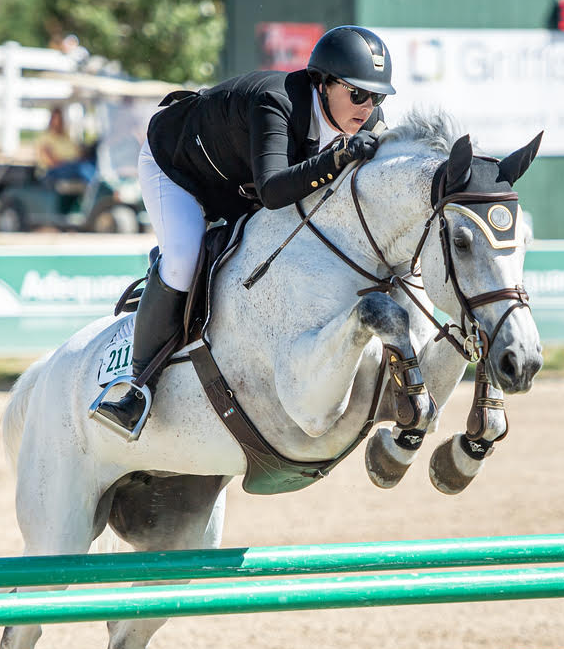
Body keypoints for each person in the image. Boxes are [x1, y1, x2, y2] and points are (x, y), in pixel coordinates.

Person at [91, 24, 396, 439]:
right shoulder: (277, 104)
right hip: (178, 168)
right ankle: (136, 388)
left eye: (376, 97)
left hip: (236, 182)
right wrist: (337, 158)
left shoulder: (368, 121)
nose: (367, 106)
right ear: (323, 85)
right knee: (183, 258)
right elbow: (272, 191)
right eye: (357, 94)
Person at [36, 106, 97, 186]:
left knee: (93, 162)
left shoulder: (67, 137)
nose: (59, 122)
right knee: (83, 168)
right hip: (54, 170)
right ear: (51, 120)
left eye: (61, 119)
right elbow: (49, 160)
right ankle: (97, 187)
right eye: (56, 119)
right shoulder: (46, 137)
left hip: (73, 165)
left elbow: (78, 152)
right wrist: (69, 162)